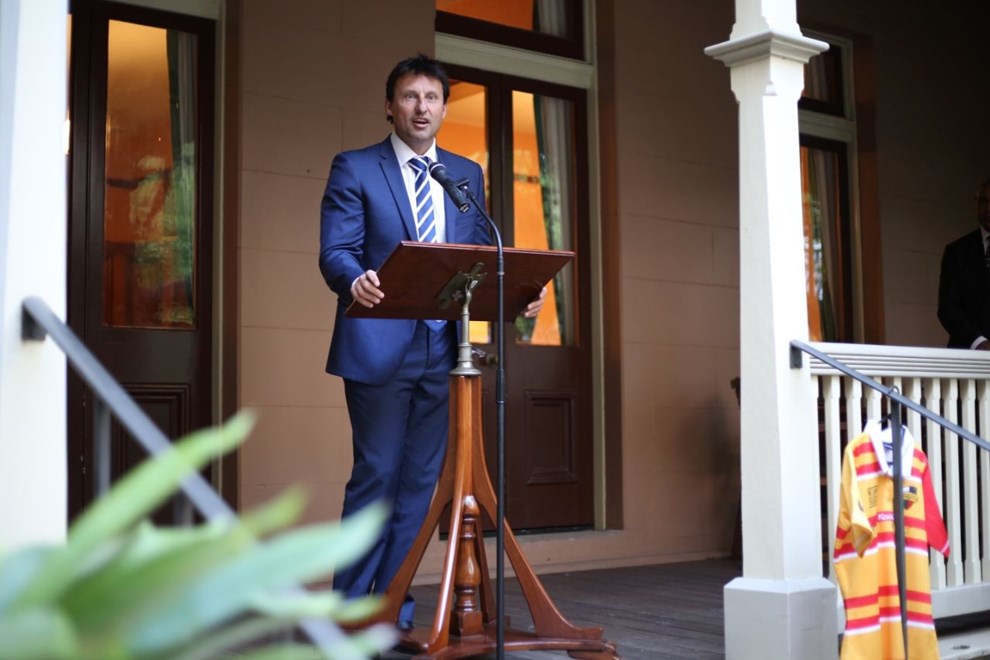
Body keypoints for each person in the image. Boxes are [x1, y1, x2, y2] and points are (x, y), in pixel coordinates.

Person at [318, 54, 544, 629]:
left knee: (421, 488)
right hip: (378, 345)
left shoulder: (464, 174)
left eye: (432, 98)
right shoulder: (356, 167)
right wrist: (353, 278)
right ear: (389, 105)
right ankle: (347, 615)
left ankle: (390, 612)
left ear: (444, 108)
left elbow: (479, 256)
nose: (422, 108)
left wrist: (519, 292)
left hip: (446, 351)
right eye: (410, 97)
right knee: (377, 476)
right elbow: (336, 250)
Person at [938, 178, 990, 350]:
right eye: (983, 201)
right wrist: (979, 342)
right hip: (967, 351)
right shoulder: (956, 251)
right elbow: (947, 308)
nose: (988, 208)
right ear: (975, 204)